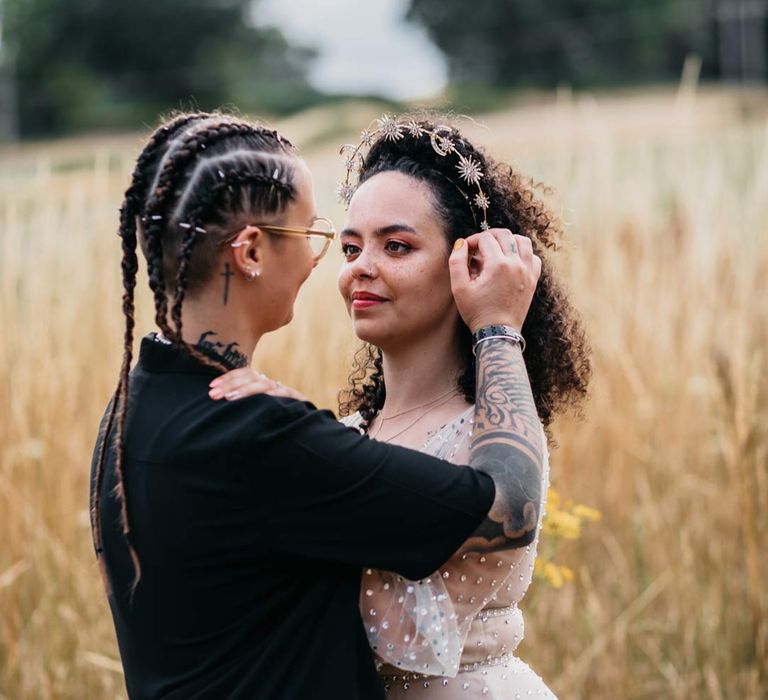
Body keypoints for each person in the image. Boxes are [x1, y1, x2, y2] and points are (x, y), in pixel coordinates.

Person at [90, 111, 548, 700]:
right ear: (250, 251)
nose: (332, 263)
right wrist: (498, 330)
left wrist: (301, 427)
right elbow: (509, 505)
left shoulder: (131, 409)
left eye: (396, 245)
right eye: (321, 239)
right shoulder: (258, 434)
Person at [212, 115, 591, 697]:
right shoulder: (348, 432)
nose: (361, 266)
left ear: (470, 264)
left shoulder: (488, 440)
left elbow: (390, 630)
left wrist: (496, 322)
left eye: (396, 246)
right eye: (350, 246)